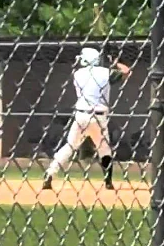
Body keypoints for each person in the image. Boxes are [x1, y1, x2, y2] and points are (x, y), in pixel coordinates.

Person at [43, 47, 131, 190]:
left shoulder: (77, 74)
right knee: (104, 150)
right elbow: (126, 72)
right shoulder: (105, 72)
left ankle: (49, 174)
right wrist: (116, 62)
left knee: (69, 146)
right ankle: (108, 182)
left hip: (81, 116)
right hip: (98, 117)